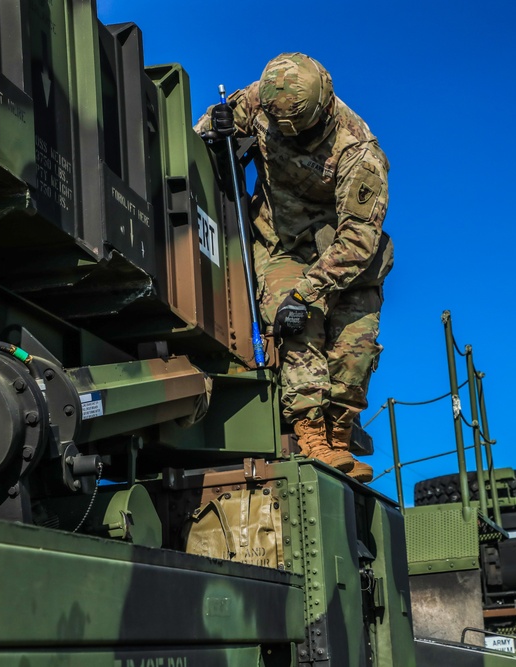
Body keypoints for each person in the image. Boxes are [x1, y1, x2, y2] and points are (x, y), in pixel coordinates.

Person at [196, 53, 392, 482]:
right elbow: (206, 126)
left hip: (344, 255)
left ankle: (339, 438)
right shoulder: (267, 97)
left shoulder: (359, 152)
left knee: (354, 348)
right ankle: (310, 434)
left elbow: (358, 241)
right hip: (281, 243)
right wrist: (216, 126)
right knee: (295, 321)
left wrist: (309, 291)